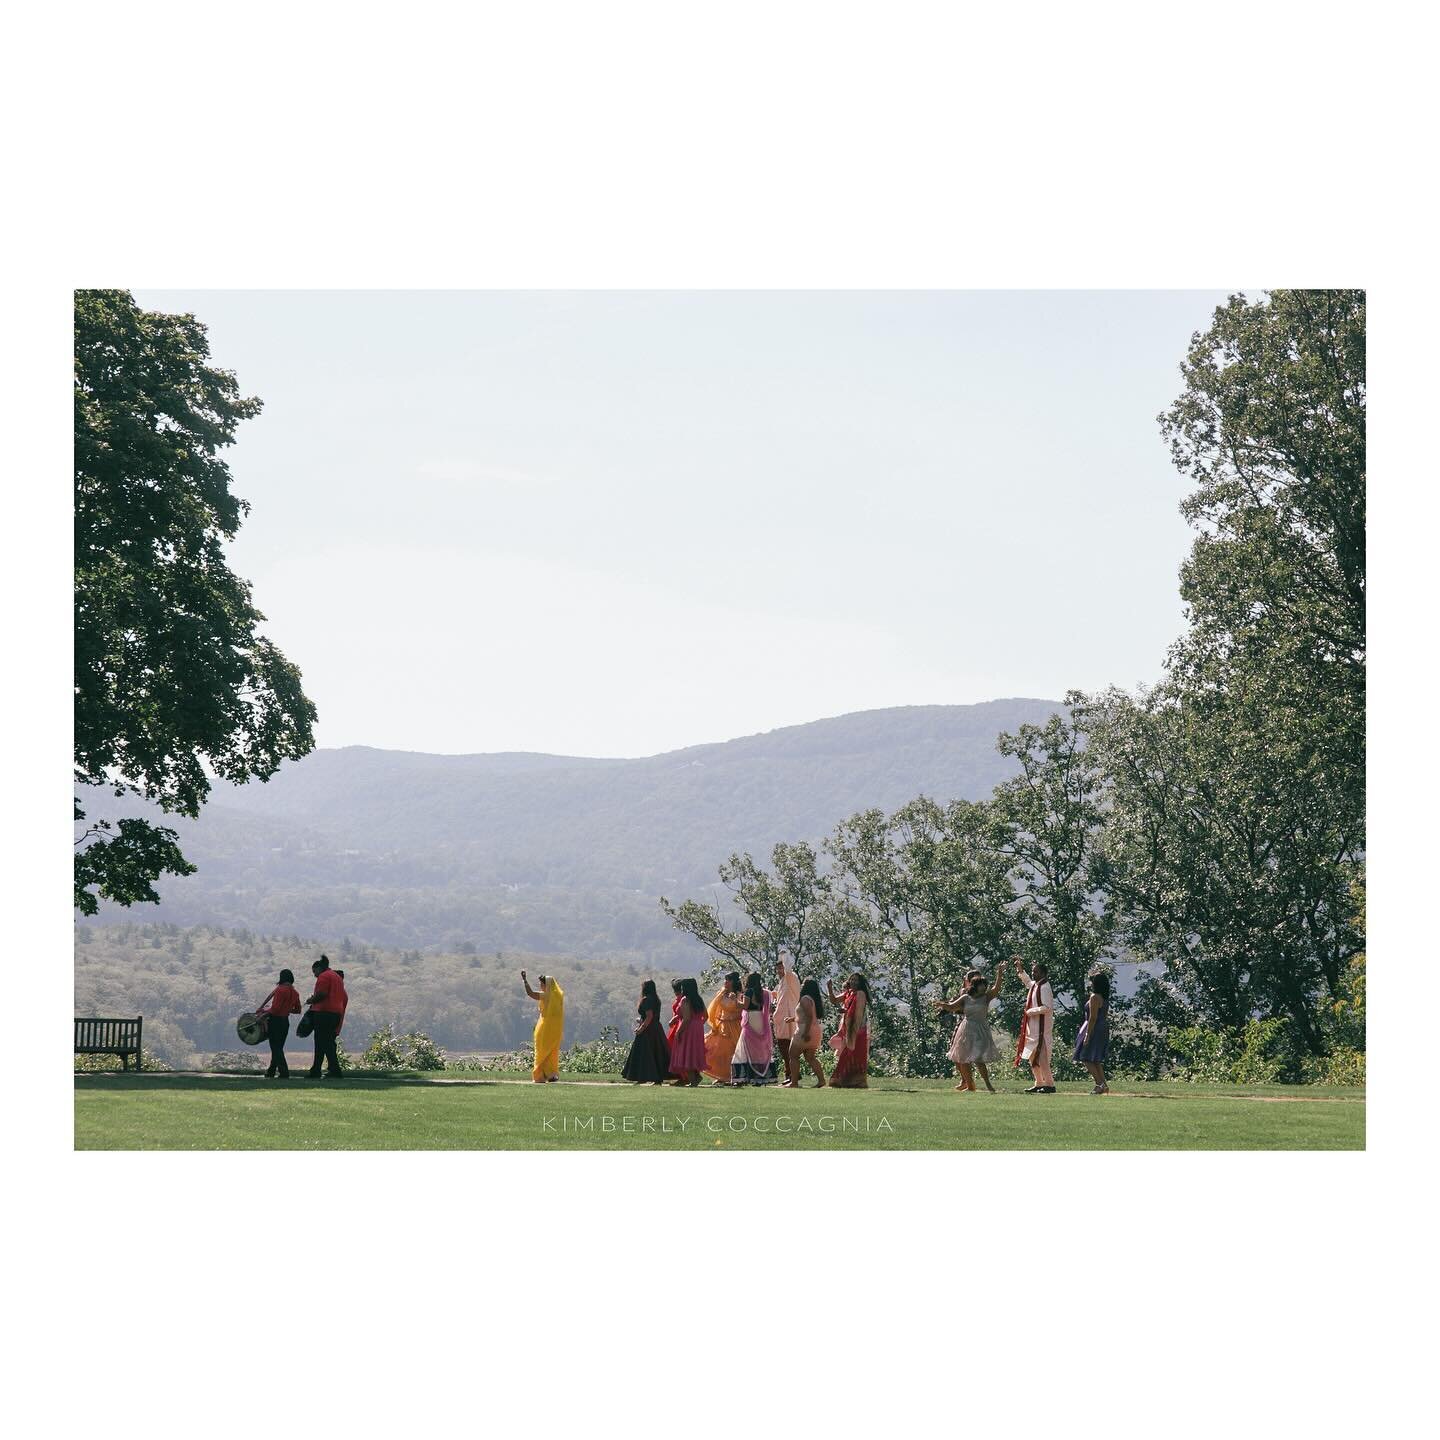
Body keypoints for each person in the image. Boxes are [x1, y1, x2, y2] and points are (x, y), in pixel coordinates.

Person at [933, 962, 1005, 1093]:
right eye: (982, 985)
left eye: (985, 986)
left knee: (978, 1058)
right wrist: (942, 1005)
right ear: (976, 986)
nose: (985, 988)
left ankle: (988, 1084)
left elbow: (997, 988)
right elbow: (952, 1007)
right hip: (966, 1029)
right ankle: (970, 1085)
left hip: (980, 1029)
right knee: (962, 1058)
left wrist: (999, 973)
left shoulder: (986, 997)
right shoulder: (965, 997)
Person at [1013, 958, 1056, 1093]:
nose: (1034, 974)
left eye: (1036, 972)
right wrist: (1020, 969)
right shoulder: (1036, 985)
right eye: (1033, 972)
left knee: (1042, 1058)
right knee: (1033, 1058)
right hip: (1033, 1029)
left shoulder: (1044, 987)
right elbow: (1027, 982)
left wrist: (1031, 1011)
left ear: (1043, 973)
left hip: (1041, 1030)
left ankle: (1049, 1084)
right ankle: (1039, 1082)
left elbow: (1047, 1007)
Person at [729, 972, 776, 1085]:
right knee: (758, 1048)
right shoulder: (763, 992)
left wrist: (735, 999)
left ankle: (741, 1077)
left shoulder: (749, 991)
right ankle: (759, 1077)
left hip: (750, 1018)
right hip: (760, 1019)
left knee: (744, 1046)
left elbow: (744, 1006)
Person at [304, 955, 347, 1079]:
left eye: (314, 972)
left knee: (322, 1042)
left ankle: (331, 1070)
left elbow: (322, 994)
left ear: (319, 968)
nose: (315, 975)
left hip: (324, 1013)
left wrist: (312, 1000)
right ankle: (319, 1069)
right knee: (325, 1042)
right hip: (335, 1013)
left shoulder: (324, 976)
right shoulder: (336, 977)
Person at [826, 973, 871, 1088]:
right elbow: (834, 1000)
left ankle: (856, 1081)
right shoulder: (849, 993)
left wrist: (854, 1032)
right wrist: (830, 989)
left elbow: (859, 1014)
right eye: (852, 979)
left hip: (858, 1029)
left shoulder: (860, 994)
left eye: (856, 980)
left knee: (855, 1054)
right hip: (849, 1029)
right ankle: (846, 1081)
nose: (854, 982)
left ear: (860, 982)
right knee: (847, 1054)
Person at [622, 979, 671, 1084]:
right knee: (656, 1053)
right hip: (657, 1028)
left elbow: (649, 1016)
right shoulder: (656, 1000)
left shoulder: (646, 1000)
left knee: (643, 1053)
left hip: (648, 1031)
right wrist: (641, 1021)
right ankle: (657, 1079)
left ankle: (642, 1077)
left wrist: (641, 1028)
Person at [255, 967, 302, 1079]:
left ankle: (284, 1072)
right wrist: (286, 1009)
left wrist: (263, 1014)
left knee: (275, 1048)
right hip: (285, 1022)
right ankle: (271, 1071)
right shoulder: (295, 993)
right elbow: (298, 1010)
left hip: (275, 1021)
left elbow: (275, 1010)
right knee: (278, 1048)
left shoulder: (280, 990)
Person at [783, 978, 826, 1087]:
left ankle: (794, 1082)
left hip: (805, 1030)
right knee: (810, 1058)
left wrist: (806, 1033)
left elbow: (809, 1017)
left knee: (793, 1055)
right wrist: (792, 1019)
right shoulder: (813, 1000)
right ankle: (821, 1080)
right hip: (815, 1031)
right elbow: (805, 1015)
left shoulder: (805, 999)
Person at [523, 970, 565, 1083]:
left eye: (542, 984)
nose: (540, 986)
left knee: (541, 1050)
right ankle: (551, 1074)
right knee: (551, 1051)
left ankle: (540, 1076)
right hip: (556, 1030)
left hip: (544, 1028)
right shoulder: (559, 996)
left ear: (547, 985)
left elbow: (531, 993)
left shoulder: (546, 996)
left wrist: (525, 981)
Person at [1074, 970, 1111, 1094]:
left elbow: (1093, 1017)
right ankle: (1104, 1085)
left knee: (1085, 1057)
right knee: (1095, 1059)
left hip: (1093, 1027)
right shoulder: (1105, 998)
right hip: (1102, 1027)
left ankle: (1099, 1084)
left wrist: (1087, 1035)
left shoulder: (1094, 997)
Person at [703, 972, 744, 1083]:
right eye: (725, 980)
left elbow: (742, 1009)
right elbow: (716, 1010)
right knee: (717, 1052)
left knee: (733, 1052)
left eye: (728, 980)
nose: (725, 982)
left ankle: (734, 1077)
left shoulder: (740, 994)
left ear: (734, 982)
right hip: (722, 1026)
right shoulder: (721, 993)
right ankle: (722, 1076)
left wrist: (735, 999)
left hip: (735, 1026)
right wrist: (715, 1025)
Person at [668, 978, 708, 1086]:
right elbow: (706, 1016)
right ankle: (696, 1076)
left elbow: (686, 1018)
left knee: (686, 1053)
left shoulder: (685, 1000)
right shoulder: (699, 999)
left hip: (688, 1028)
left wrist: (678, 1032)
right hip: (698, 1028)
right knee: (693, 1052)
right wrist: (698, 1025)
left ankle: (693, 1081)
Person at [771, 950, 801, 1075]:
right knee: (783, 1047)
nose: (779, 971)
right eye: (777, 969)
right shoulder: (782, 982)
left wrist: (784, 956)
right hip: (781, 1020)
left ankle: (792, 1074)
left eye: (781, 968)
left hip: (789, 1020)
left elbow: (788, 968)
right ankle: (789, 1073)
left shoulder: (791, 977)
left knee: (788, 1047)